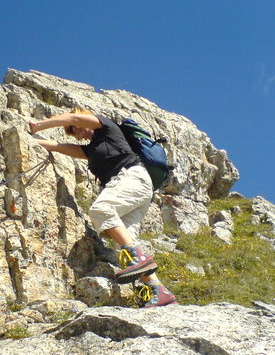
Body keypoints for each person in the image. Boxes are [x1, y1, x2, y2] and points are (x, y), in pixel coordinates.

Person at [29, 107, 177, 308]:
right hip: (138, 190)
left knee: (101, 210)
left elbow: (73, 116)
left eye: (76, 127)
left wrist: (39, 125)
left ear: (85, 118)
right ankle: (158, 291)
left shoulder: (108, 128)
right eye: (72, 131)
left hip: (132, 178)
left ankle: (139, 257)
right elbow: (58, 146)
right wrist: (30, 141)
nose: (77, 133)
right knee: (121, 243)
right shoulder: (90, 150)